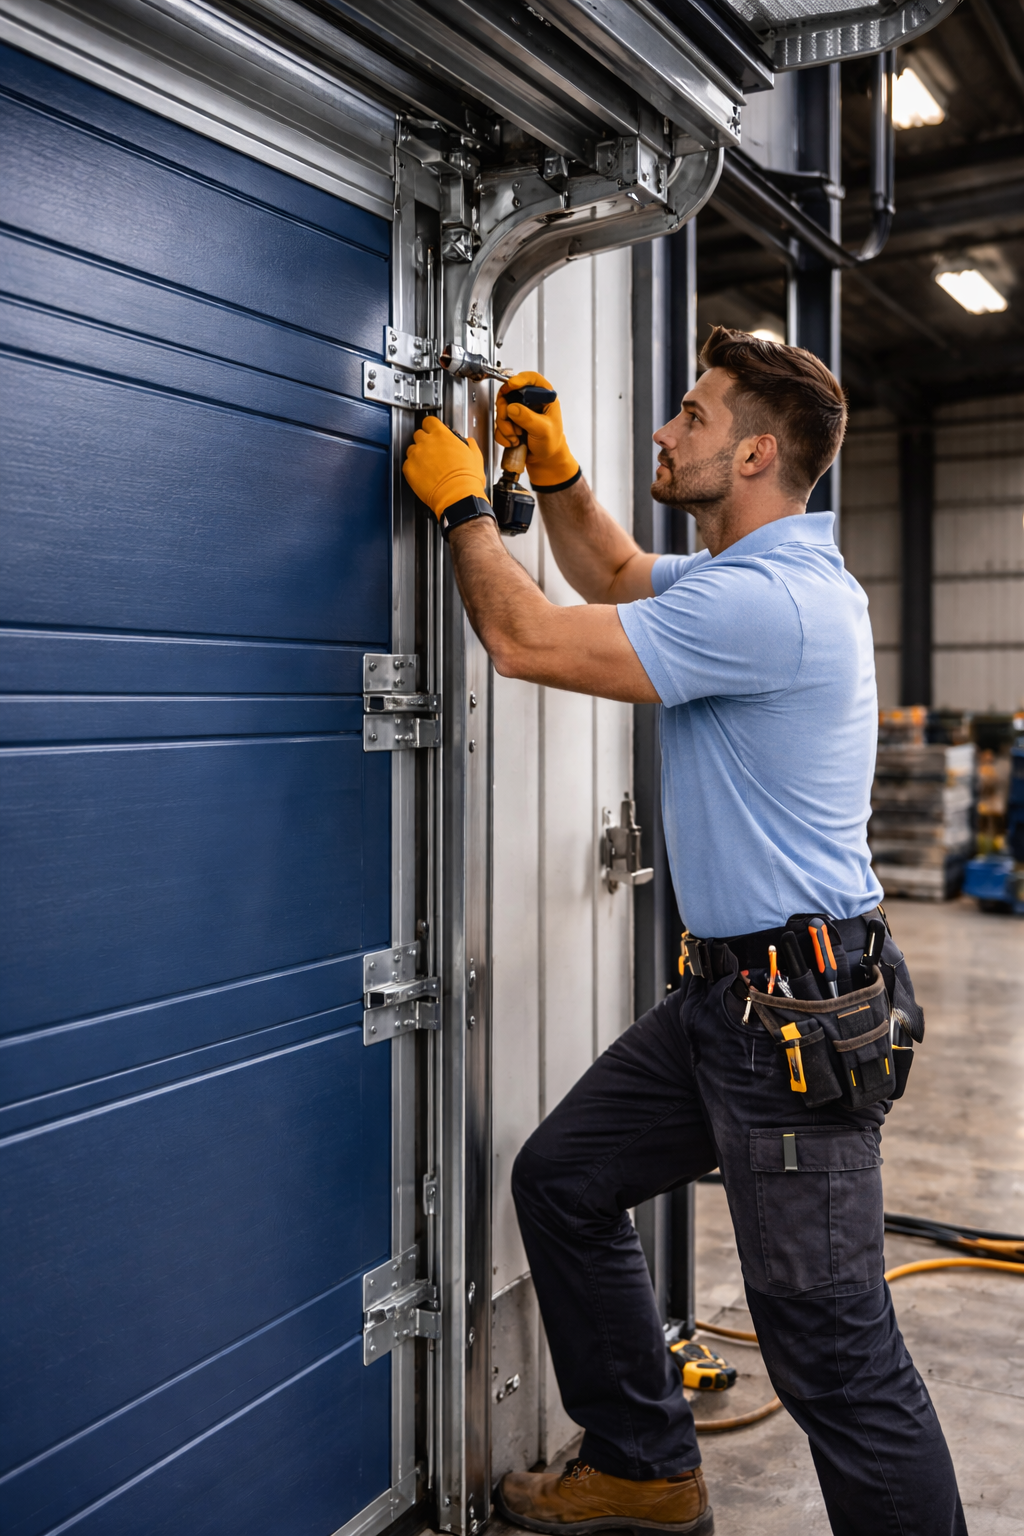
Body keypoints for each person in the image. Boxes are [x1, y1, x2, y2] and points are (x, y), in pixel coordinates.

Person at [402, 326, 965, 1536]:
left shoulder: (772, 605)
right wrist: (554, 475)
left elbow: (528, 637)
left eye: (693, 418)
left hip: (794, 1020)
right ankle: (647, 1472)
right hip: (732, 1002)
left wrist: (465, 515)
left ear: (756, 452)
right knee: (564, 1179)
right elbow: (609, 576)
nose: (665, 431)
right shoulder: (740, 579)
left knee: (832, 1356)